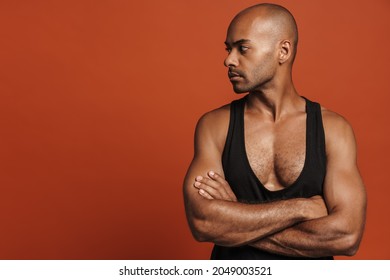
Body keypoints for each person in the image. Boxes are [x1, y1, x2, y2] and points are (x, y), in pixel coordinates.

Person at [183, 3, 367, 260]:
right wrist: (301, 208)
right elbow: (203, 223)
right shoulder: (215, 126)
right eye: (229, 49)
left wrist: (234, 214)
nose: (229, 60)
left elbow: (346, 237)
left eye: (242, 48)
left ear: (283, 51)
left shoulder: (334, 130)